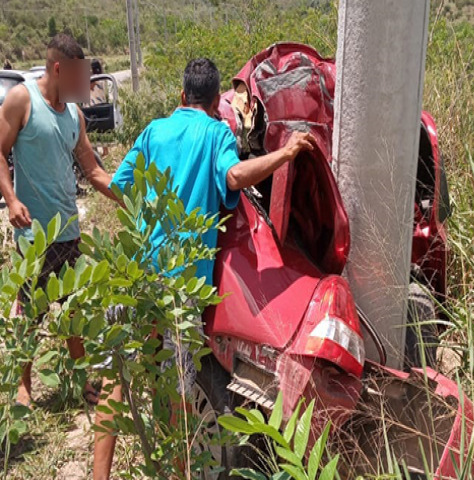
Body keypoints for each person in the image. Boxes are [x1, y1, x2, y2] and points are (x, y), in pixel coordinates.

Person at [93, 58, 316, 479]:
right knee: (180, 387)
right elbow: (234, 176)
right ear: (217, 102)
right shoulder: (217, 133)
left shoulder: (153, 131)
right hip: (180, 290)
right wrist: (285, 153)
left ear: (181, 96)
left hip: (134, 274)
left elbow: (118, 188)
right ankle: (180, 470)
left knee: (115, 382)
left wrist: (91, 166)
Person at [0, 34, 116, 408]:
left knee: (74, 310)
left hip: (68, 230)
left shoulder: (75, 115)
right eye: (78, 77)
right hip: (32, 233)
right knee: (30, 312)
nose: (83, 86)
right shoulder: (22, 100)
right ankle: (25, 388)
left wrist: (129, 195)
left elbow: (92, 169)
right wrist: (12, 199)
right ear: (58, 68)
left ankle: (82, 380)